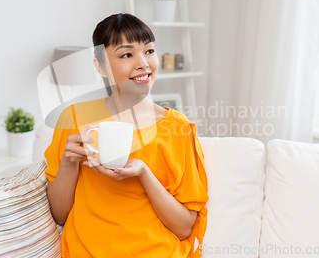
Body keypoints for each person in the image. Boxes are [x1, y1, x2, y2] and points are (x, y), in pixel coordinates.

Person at [44, 13, 208, 258]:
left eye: (149, 51)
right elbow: (59, 215)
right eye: (127, 54)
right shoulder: (74, 118)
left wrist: (143, 173)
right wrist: (69, 162)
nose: (143, 63)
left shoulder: (178, 128)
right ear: (100, 66)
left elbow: (185, 227)